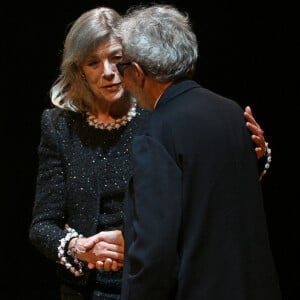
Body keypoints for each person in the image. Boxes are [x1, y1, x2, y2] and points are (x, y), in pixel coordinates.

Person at [29, 6, 271, 300]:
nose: (108, 73)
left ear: (136, 64)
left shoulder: (156, 116)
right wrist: (79, 248)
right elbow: (43, 224)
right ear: (78, 70)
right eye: (93, 62)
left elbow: (203, 192)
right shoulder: (59, 126)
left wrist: (255, 157)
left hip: (155, 283)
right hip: (88, 290)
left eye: (117, 60)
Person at [116, 4, 281, 300]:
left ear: (138, 73)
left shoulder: (157, 131)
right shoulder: (231, 111)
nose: (122, 80)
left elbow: (155, 251)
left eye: (122, 68)